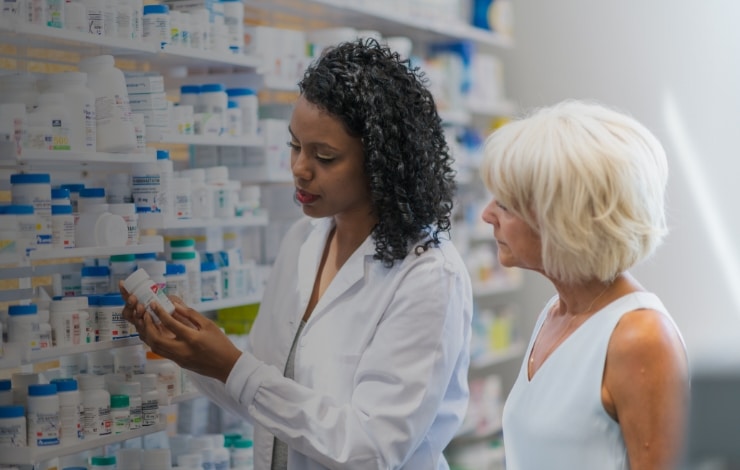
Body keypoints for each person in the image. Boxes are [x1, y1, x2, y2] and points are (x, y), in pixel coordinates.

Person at [120, 38, 473, 469]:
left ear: (382, 163)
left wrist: (233, 366)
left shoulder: (427, 276)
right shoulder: (303, 241)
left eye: (324, 156)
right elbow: (267, 404)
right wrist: (196, 355)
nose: (299, 168)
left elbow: (372, 449)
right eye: (294, 146)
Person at [479, 99, 690, 470]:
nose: (487, 215)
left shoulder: (641, 337)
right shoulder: (555, 312)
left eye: (506, 206)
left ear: (564, 221)